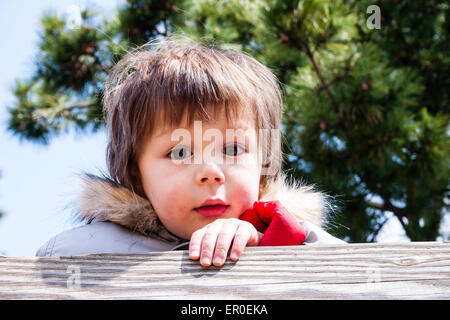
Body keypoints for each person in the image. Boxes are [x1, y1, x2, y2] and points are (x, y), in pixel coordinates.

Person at [36, 36, 346, 265]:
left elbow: (347, 280)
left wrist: (268, 245)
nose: (210, 172)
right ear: (136, 173)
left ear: (263, 166)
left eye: (233, 148)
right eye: (180, 153)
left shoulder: (300, 240)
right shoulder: (80, 254)